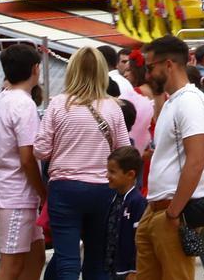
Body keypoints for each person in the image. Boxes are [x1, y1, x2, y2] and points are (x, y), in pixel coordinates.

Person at [35, 47, 132, 279]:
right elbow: (124, 151)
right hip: (104, 190)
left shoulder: (58, 105)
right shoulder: (113, 107)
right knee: (98, 261)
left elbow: (40, 150)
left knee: (67, 260)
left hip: (65, 189)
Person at [135, 35, 204, 280]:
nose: (147, 75)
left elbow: (196, 160)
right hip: (158, 207)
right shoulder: (174, 101)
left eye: (150, 67)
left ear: (168, 64)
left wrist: (174, 212)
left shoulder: (189, 100)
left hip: (173, 208)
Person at [0, 43, 47, 280]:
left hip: (16, 192)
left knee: (36, 256)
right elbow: (27, 158)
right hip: (17, 194)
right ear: (35, 69)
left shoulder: (3, 99)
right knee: (10, 267)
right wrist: (42, 192)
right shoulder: (23, 104)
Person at [105, 146, 147, 280]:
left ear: (130, 174)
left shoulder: (137, 202)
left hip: (128, 271)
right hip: (113, 268)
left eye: (112, 172)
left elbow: (140, 239)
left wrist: (134, 269)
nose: (107, 176)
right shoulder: (114, 198)